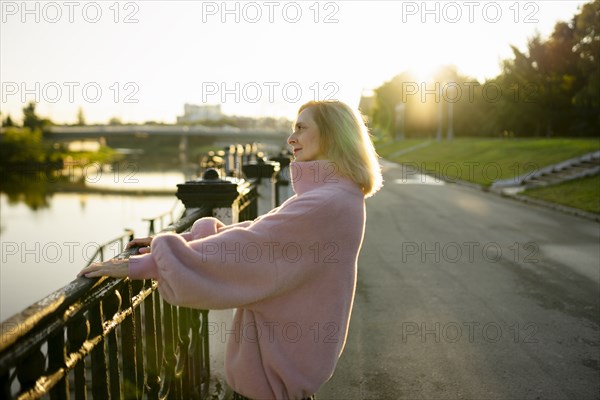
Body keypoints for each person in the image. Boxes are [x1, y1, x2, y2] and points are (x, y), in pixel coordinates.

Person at [78, 100, 383, 400]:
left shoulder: (326, 203)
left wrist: (151, 263)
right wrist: (184, 241)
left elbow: (251, 246)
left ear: (332, 135)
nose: (291, 138)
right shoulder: (338, 196)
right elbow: (260, 232)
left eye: (301, 128)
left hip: (269, 389)